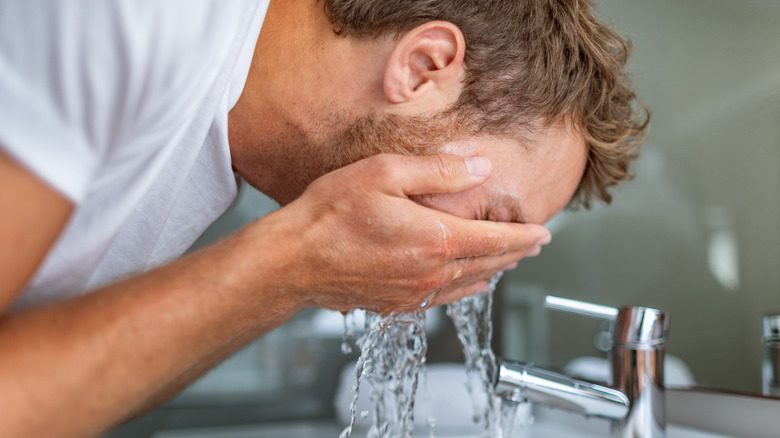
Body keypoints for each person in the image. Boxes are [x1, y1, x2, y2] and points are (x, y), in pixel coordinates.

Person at [0, 0, 647, 436]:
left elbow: (72, 390)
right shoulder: (139, 19)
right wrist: (289, 264)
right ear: (423, 67)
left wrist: (304, 270)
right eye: (487, 219)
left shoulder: (218, 150)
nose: (468, 261)